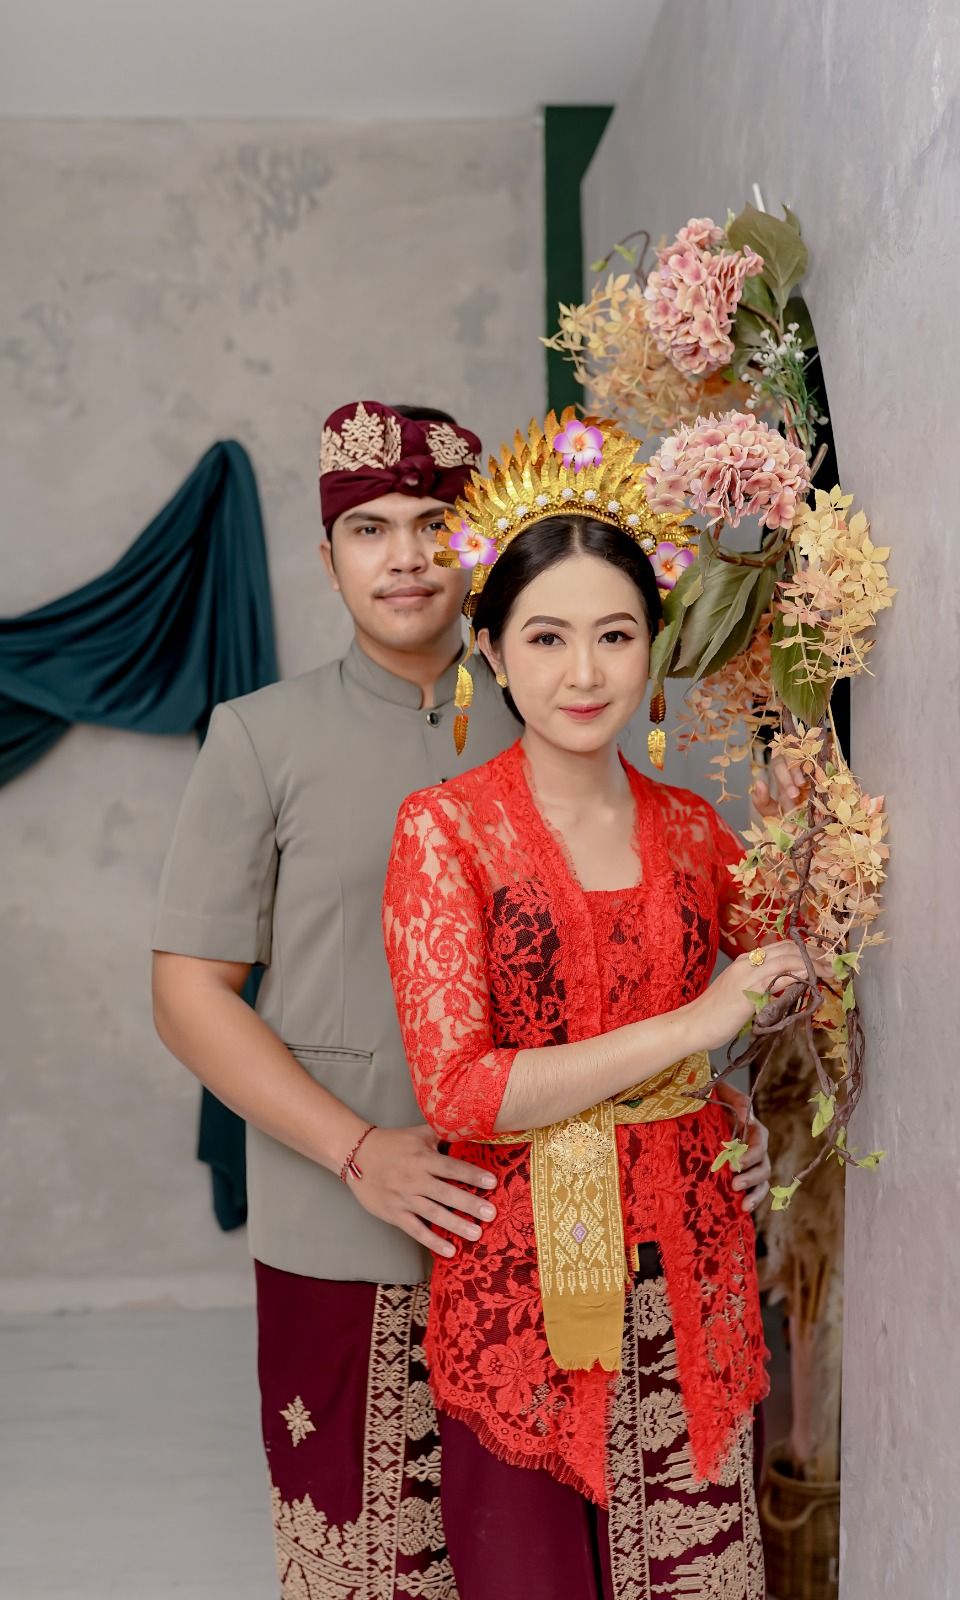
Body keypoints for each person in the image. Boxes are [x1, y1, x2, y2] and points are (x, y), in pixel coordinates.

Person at [383, 412, 813, 1600]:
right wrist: (695, 1028)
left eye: (615, 635)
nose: (584, 673)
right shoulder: (446, 831)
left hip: (692, 1268)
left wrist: (747, 1126)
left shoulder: (692, 829)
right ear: (488, 648)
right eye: (547, 636)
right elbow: (460, 1090)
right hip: (524, 1278)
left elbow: (792, 997)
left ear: (653, 645)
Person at [150, 401, 525, 1596]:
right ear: (328, 560)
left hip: (535, 1213)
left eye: (433, 524)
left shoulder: (556, 714)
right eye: (370, 530)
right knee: (362, 1563)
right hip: (337, 1218)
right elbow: (188, 992)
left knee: (528, 1559)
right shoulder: (259, 738)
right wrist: (358, 1151)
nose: (405, 556)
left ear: (480, 543)